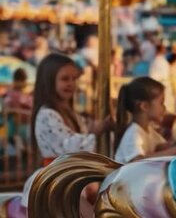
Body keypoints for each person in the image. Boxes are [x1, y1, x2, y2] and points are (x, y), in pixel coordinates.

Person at [21, 53, 113, 214]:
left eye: (74, 78)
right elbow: (67, 146)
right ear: (49, 82)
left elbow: (85, 139)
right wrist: (96, 133)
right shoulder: (46, 115)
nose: (71, 83)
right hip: (57, 179)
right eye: (65, 79)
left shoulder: (72, 114)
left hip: (74, 177)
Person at [114, 77, 176, 164]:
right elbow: (137, 161)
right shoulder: (133, 133)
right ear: (144, 106)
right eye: (161, 103)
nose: (164, 108)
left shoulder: (148, 130)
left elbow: (162, 147)